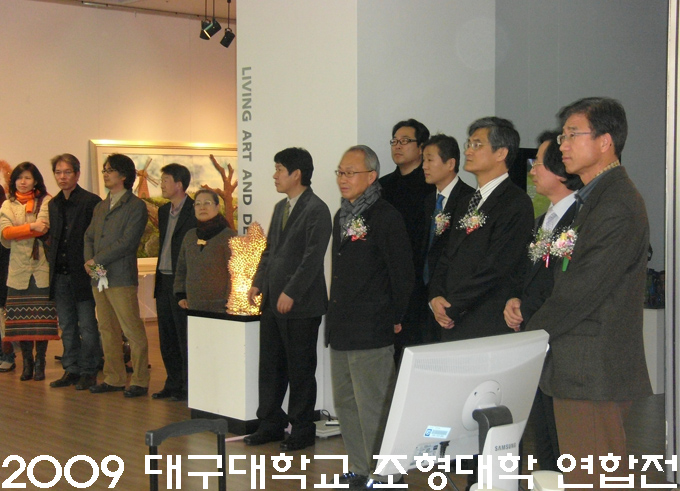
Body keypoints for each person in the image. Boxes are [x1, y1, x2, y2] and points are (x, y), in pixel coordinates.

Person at [526, 97, 652, 487]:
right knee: (585, 475)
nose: (562, 145)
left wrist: (530, 335)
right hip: (580, 364)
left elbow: (582, 290)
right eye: (562, 136)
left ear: (605, 141)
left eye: (572, 134)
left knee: (593, 478)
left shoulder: (615, 203)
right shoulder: (593, 198)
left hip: (592, 368)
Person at [326, 145, 414, 489]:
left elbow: (402, 273)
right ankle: (360, 468)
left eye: (351, 173)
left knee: (374, 406)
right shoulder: (342, 214)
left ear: (372, 176)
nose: (343, 179)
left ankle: (387, 474)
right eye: (340, 172)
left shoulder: (385, 216)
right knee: (346, 403)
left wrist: (395, 316)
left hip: (371, 326)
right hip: (341, 326)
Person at [503, 131, 582, 471]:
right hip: (534, 340)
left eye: (539, 164)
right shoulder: (543, 221)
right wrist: (515, 299)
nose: (532, 170)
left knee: (566, 443)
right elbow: (528, 274)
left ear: (561, 171)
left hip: (562, 343)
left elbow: (568, 285)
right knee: (544, 439)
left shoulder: (580, 218)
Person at [244, 147, 332, 452]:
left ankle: (302, 428)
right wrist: (258, 283)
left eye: (280, 169)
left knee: (300, 370)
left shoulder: (317, 209)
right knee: (270, 366)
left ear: (297, 174)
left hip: (302, 305)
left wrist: (291, 292)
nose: (275, 175)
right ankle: (270, 422)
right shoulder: (281, 207)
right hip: (273, 301)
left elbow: (312, 259)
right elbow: (269, 251)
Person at [428, 117, 534, 342]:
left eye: (477, 145)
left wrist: (453, 306)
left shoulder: (516, 202)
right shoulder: (466, 201)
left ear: (501, 153)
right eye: (468, 144)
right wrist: (436, 296)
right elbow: (447, 254)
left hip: (485, 320)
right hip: (451, 318)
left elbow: (496, 266)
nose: (468, 151)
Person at [84, 153, 150, 398]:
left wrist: (96, 260)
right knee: (107, 328)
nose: (105, 174)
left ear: (123, 175)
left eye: (110, 170)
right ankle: (114, 378)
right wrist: (90, 264)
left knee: (131, 329)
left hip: (121, 275)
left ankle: (140, 380)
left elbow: (127, 242)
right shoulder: (101, 206)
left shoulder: (135, 206)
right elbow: (89, 237)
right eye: (104, 170)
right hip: (99, 275)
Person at [47, 153, 103, 391]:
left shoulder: (91, 201)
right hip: (60, 274)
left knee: (88, 325)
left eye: (67, 172)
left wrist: (98, 273)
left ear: (77, 174)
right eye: (58, 172)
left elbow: (98, 240)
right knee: (68, 326)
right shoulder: (53, 204)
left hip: (84, 274)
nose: (62, 177)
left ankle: (90, 370)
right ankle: (71, 368)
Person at [379, 119, 434, 355]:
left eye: (405, 141)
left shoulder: (431, 186)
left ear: (421, 148)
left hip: (419, 283)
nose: (398, 146)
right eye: (394, 141)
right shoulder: (381, 187)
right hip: (385, 281)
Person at [0, 162, 58, 381]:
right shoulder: (8, 204)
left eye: (27, 178)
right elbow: (5, 233)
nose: (22, 182)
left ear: (35, 181)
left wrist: (21, 230)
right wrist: (31, 227)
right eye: (19, 178)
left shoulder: (46, 200)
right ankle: (27, 363)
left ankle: (40, 362)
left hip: (41, 268)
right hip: (18, 270)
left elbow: (43, 227)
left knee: (42, 321)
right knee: (20, 322)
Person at [421, 134, 474, 342]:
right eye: (423, 160)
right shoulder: (428, 201)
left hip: (451, 295)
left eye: (430, 159)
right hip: (427, 295)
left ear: (450, 163)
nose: (424, 166)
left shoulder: (468, 199)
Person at [152, 164, 196, 402]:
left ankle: (188, 386)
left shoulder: (193, 210)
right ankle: (172, 382)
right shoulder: (162, 212)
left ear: (179, 184)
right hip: (163, 279)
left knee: (183, 336)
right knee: (166, 335)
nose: (162, 184)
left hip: (183, 281)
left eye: (166, 180)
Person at [174, 189, 236, 313]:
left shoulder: (229, 236)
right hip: (193, 304)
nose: (202, 207)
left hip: (221, 307)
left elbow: (235, 274)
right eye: (198, 204)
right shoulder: (190, 236)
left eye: (207, 203)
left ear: (217, 207)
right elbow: (181, 267)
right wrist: (180, 294)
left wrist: (229, 301)